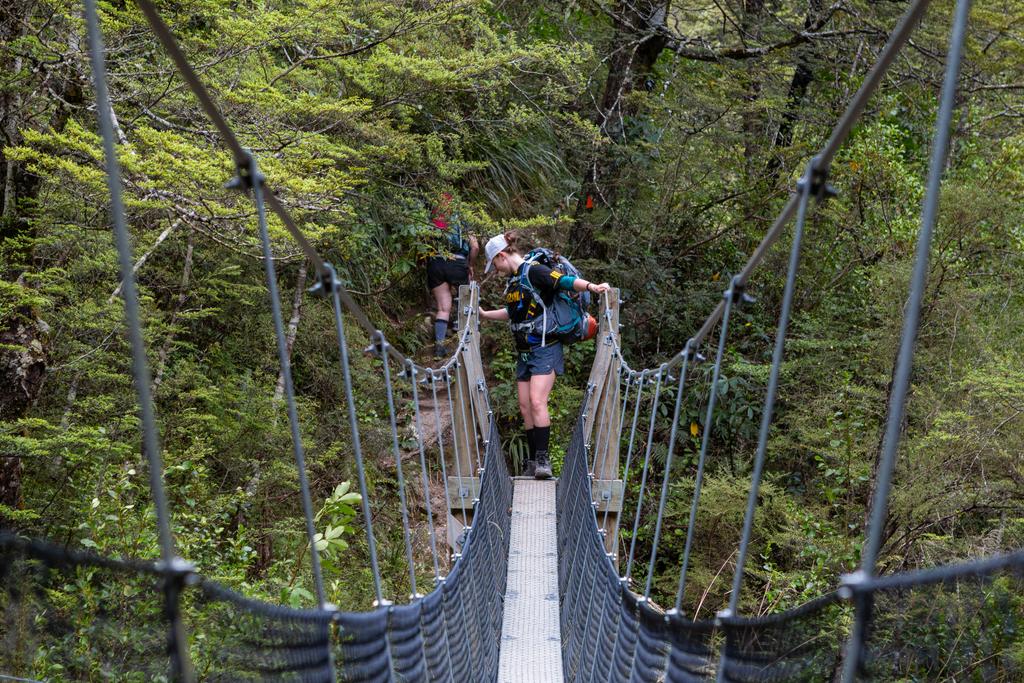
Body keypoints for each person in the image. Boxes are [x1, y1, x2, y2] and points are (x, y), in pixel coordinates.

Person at [479, 231, 611, 479]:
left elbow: (564, 281)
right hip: (525, 353)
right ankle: (532, 461)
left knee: (538, 402)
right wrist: (485, 315)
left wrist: (592, 287)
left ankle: (543, 462)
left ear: (501, 255)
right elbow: (513, 313)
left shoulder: (534, 271)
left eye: (494, 264)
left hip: (545, 348)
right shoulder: (515, 282)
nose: (495, 269)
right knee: (525, 405)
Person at [425, 194, 478, 358]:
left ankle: (439, 348)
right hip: (457, 262)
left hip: (435, 263)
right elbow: (474, 247)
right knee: (466, 302)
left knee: (442, 307)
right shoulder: (462, 219)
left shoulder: (431, 217)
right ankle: (465, 337)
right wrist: (470, 265)